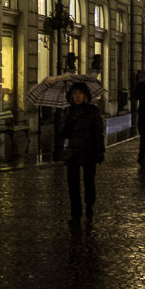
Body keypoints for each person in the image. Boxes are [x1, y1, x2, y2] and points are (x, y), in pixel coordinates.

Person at [60, 81, 106, 223]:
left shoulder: (92, 110)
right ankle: (75, 214)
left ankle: (89, 205)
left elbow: (99, 131)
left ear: (85, 95)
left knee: (89, 181)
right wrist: (67, 123)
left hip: (89, 150)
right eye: (74, 94)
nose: (77, 97)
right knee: (72, 184)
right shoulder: (67, 111)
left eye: (80, 94)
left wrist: (100, 150)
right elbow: (62, 133)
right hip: (73, 151)